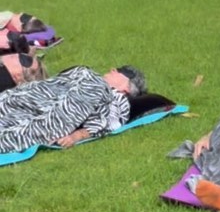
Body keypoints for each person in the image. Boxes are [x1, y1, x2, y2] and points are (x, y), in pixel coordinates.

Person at [0, 64, 146, 153]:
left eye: (121, 71)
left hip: (45, 111)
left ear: (127, 88)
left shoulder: (116, 97)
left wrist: (77, 136)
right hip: (30, 96)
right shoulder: (89, 78)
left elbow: (108, 122)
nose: (113, 69)